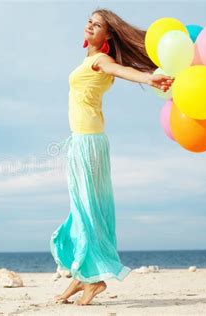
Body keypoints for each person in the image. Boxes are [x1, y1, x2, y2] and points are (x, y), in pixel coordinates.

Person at [49, 8, 173, 306]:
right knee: (84, 210)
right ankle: (84, 275)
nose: (90, 26)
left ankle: (94, 279)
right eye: (89, 21)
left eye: (98, 24)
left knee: (88, 210)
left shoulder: (100, 61)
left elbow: (121, 71)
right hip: (85, 141)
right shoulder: (91, 60)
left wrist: (148, 77)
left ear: (108, 35)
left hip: (87, 142)